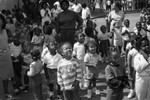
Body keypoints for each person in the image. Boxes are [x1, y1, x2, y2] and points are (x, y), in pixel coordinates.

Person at [0, 14, 14, 99]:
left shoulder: (5, 31)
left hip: (6, 56)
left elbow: (6, 41)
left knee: (6, 76)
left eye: (0, 19)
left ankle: (5, 92)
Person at [126, 32, 138, 99]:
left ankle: (137, 91)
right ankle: (132, 91)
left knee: (137, 79)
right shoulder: (131, 50)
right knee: (132, 79)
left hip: (138, 67)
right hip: (132, 67)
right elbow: (127, 56)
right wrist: (128, 67)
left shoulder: (140, 50)